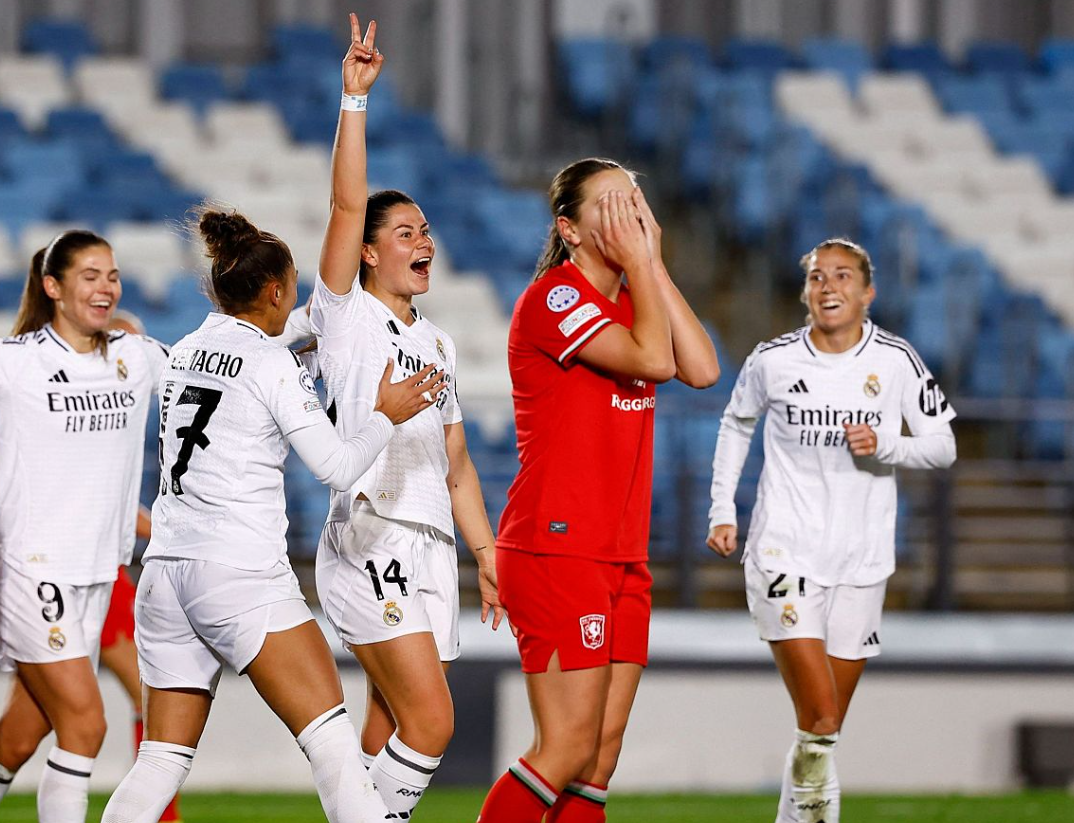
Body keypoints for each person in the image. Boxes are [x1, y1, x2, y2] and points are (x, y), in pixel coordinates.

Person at [101, 208, 443, 823]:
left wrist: (318, 323)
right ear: (275, 291)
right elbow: (337, 466)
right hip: (239, 571)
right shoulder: (271, 364)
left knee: (159, 759)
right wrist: (384, 414)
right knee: (334, 745)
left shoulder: (184, 350)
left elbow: (276, 336)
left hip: (163, 576)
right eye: (290, 293)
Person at [478, 160, 719, 823]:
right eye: (611, 206)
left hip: (617, 553)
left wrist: (653, 262)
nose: (628, 216)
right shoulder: (555, 297)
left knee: (597, 761)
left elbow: (700, 367)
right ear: (569, 228)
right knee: (563, 747)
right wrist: (640, 266)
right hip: (557, 545)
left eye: (634, 202)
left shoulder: (630, 298)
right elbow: (654, 361)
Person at [310, 16, 504, 818]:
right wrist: (354, 102)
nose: (422, 239)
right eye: (402, 231)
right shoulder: (344, 314)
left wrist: (485, 552)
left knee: (388, 726)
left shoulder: (439, 343)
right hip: (371, 535)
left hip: (428, 548)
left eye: (424, 228)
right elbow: (346, 198)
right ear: (365, 250)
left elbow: (456, 463)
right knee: (433, 723)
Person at [706, 238, 956, 823]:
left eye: (842, 276)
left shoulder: (895, 361)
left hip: (862, 562)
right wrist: (723, 509)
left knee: (824, 730)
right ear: (805, 292)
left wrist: (886, 444)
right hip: (783, 551)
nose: (828, 287)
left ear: (867, 292)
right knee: (819, 718)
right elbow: (736, 424)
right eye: (818, 277)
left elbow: (943, 445)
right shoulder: (774, 360)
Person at [0, 230, 170, 823]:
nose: (106, 286)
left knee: (18, 737)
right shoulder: (15, 362)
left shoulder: (133, 357)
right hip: (33, 571)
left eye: (112, 275)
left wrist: (305, 336)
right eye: (89, 274)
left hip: (98, 574)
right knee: (86, 724)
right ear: (52, 287)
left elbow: (219, 373)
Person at [97, 309, 182, 823]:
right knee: (151, 706)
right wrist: (170, 531)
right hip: (84, 577)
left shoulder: (117, 417)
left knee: (28, 725)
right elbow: (106, 502)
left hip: (106, 575)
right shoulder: (91, 415)